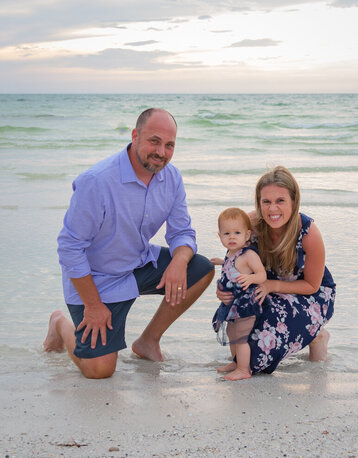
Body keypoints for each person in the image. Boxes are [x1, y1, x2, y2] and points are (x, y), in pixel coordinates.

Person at [44, 108, 214, 379]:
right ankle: (60, 324)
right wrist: (93, 306)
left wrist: (180, 261)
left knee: (200, 269)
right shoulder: (97, 182)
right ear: (135, 136)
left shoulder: (172, 178)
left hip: (138, 264)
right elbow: (69, 247)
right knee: (99, 370)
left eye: (170, 145)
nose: (162, 152)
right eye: (154, 141)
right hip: (97, 283)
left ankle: (148, 341)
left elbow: (182, 232)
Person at [216, 166, 336, 376]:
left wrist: (271, 285)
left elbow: (312, 285)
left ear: (293, 201)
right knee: (241, 326)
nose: (273, 209)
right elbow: (234, 264)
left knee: (258, 359)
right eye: (266, 201)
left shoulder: (308, 233)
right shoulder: (250, 224)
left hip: (309, 294)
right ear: (259, 202)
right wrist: (223, 290)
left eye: (280, 201)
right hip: (266, 288)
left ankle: (317, 334)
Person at [211, 208, 267, 381]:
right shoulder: (230, 254)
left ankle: (243, 369)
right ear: (220, 236)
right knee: (231, 332)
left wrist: (251, 278)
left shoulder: (249, 255)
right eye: (227, 233)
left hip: (246, 305)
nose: (232, 237)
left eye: (237, 233)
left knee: (241, 336)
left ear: (247, 235)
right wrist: (222, 262)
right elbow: (232, 267)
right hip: (233, 305)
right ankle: (236, 362)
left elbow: (262, 275)